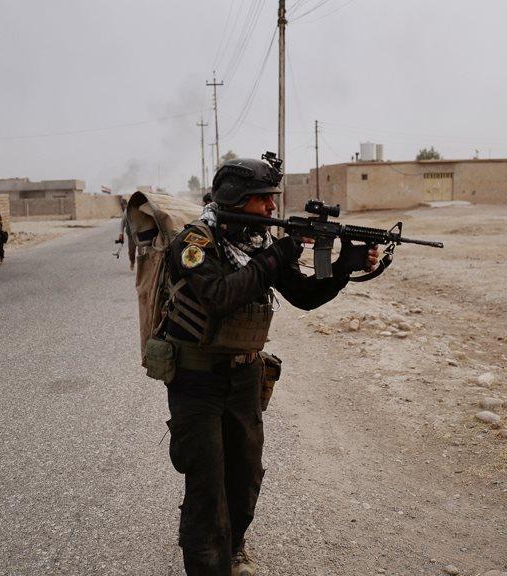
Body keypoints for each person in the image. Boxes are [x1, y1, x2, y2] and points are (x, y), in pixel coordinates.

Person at [160, 153, 377, 575]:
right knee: (207, 485)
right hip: (196, 381)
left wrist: (345, 267)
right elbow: (220, 296)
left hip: (244, 377)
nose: (272, 209)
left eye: (272, 199)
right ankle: (209, 563)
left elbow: (304, 295)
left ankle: (233, 545)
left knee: (245, 479)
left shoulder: (256, 245)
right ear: (236, 199)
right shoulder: (195, 244)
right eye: (263, 200)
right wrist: (278, 255)